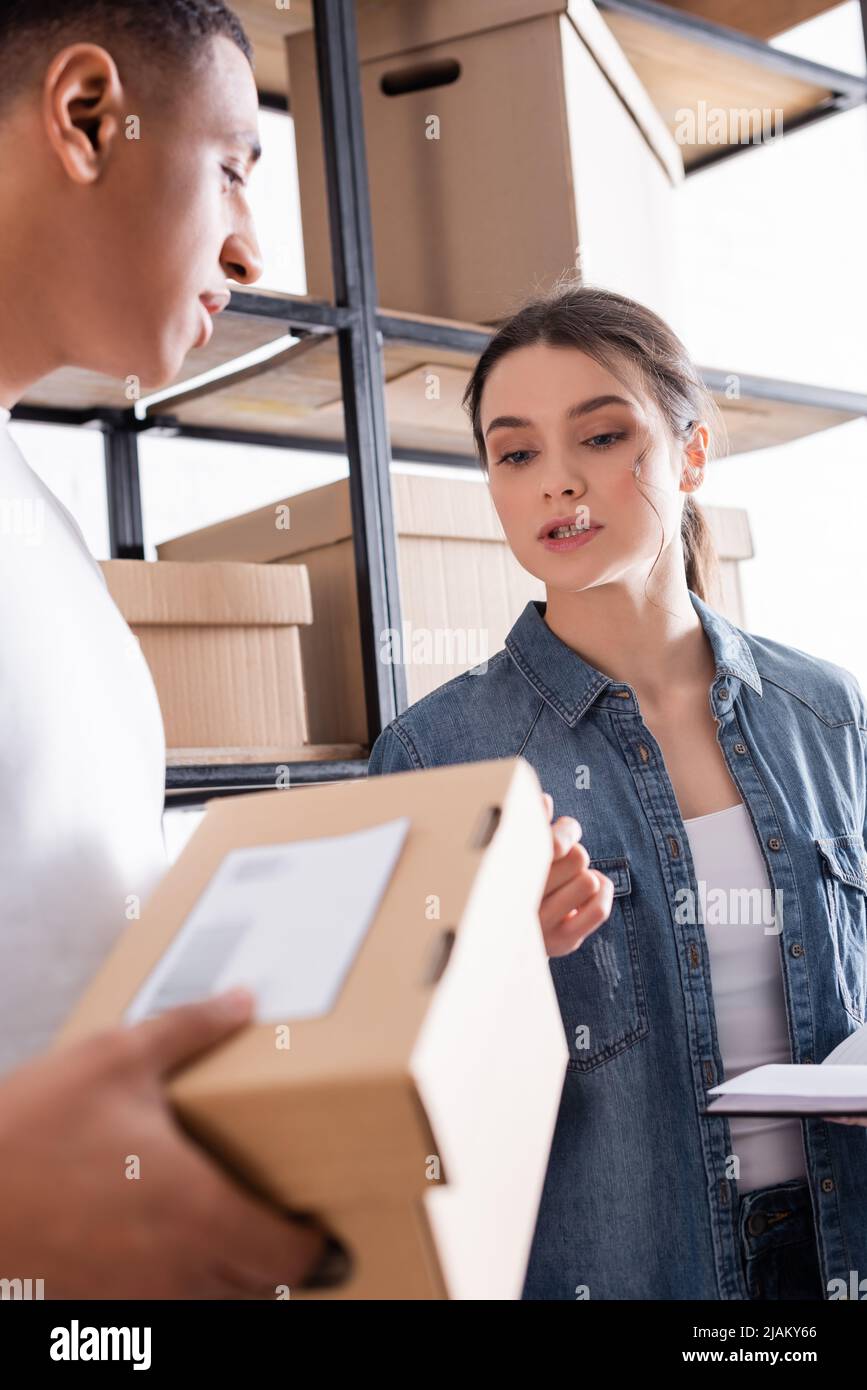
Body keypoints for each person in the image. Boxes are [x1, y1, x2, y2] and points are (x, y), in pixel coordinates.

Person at [0, 2, 609, 1298]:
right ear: (87, 116)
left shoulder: (41, 536)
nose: (249, 243)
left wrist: (437, 941)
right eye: (232, 164)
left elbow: (78, 956)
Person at [367, 280, 867, 1301]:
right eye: (516, 453)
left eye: (600, 437)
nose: (558, 482)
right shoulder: (438, 757)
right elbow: (385, 1118)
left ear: (690, 454)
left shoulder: (827, 711)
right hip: (630, 1271)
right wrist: (498, 966)